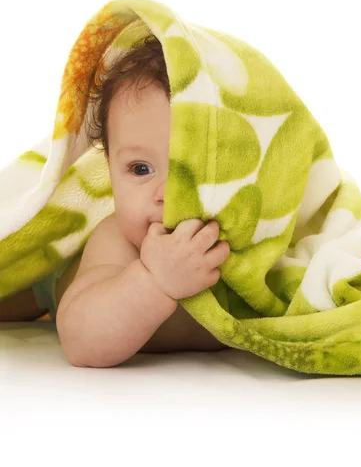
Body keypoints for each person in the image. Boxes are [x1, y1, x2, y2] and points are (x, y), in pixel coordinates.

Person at [0, 35, 230, 366]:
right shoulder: (120, 241)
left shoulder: (265, 242)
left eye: (192, 168)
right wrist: (154, 281)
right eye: (140, 169)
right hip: (57, 279)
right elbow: (81, 342)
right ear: (109, 167)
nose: (165, 193)